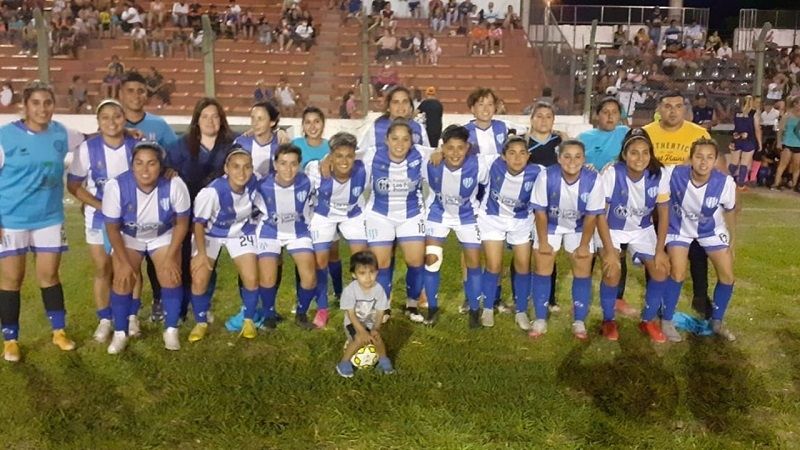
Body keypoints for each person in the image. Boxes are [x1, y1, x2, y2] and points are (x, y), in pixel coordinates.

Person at [0, 82, 84, 362]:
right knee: (12, 278)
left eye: (47, 102)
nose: (42, 109)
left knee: (49, 276)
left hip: (48, 218)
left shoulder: (60, 132)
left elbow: (89, 138)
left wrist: (125, 133)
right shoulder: (5, 137)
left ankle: (58, 331)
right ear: (24, 105)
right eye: (36, 103)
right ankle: (10, 339)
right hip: (11, 219)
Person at [102, 142, 191, 353]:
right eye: (139, 163)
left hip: (162, 235)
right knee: (123, 279)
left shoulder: (175, 184)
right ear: (132, 166)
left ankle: (171, 330)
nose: (145, 169)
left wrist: (170, 257)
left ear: (161, 166)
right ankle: (120, 333)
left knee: (170, 275)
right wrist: (123, 263)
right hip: (129, 236)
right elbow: (113, 229)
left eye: (151, 163)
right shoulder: (116, 186)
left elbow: (182, 223)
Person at [67, 99, 140, 344]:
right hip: (97, 219)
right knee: (102, 269)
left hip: (131, 219)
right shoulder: (88, 149)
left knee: (130, 267)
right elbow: (74, 185)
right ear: (98, 122)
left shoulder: (136, 145)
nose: (111, 122)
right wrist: (102, 206)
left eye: (117, 116)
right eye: (105, 117)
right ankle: (105, 319)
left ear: (125, 118)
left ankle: (131, 316)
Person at [594, 128, 670, 343]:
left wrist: (660, 250)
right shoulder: (611, 173)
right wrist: (609, 251)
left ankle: (647, 321)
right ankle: (608, 320)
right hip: (612, 229)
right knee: (612, 271)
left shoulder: (659, 174)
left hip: (643, 229)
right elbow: (601, 214)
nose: (640, 158)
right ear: (625, 154)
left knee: (660, 270)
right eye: (634, 152)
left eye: (645, 152)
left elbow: (664, 213)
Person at [644, 91, 714, 319]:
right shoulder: (646, 133)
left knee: (697, 251)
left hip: (690, 205)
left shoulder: (698, 133)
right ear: (659, 109)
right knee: (658, 250)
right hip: (656, 204)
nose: (672, 111)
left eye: (677, 106)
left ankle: (701, 298)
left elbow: (708, 163)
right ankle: (656, 297)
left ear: (684, 109)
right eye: (667, 106)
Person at [166, 97, 236, 319]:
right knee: (184, 256)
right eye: (204, 116)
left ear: (221, 120)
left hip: (214, 214)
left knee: (207, 261)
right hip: (185, 213)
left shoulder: (231, 145)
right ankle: (181, 306)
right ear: (196, 120)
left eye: (215, 116)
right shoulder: (182, 145)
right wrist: (169, 171)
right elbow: (165, 166)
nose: (210, 121)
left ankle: (202, 306)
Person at [661, 138, 737, 341]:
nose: (704, 162)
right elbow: (646, 169)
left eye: (709, 157)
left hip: (711, 231)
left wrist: (733, 239)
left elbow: (730, 211)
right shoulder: (673, 173)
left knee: (728, 276)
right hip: (679, 229)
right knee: (677, 273)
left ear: (715, 160)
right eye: (699, 157)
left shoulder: (724, 183)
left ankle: (717, 321)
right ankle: (666, 320)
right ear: (690, 159)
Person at [119, 70, 180, 322]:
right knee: (125, 262)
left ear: (147, 94)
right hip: (122, 207)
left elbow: (175, 155)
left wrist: (172, 168)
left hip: (155, 205)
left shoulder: (158, 125)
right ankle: (128, 314)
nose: (136, 95)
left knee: (158, 257)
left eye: (141, 90)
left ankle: (158, 302)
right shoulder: (113, 123)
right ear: (121, 94)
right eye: (131, 90)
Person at [529, 140, 605, 340]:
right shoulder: (546, 175)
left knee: (582, 268)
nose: (572, 161)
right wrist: (544, 242)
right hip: (551, 225)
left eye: (577, 156)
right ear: (558, 158)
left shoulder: (594, 179)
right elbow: (540, 212)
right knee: (543, 265)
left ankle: (579, 320)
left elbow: (591, 216)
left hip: (579, 227)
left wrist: (583, 245)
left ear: (584, 158)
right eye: (567, 156)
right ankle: (540, 318)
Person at [361, 119, 432, 323]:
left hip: (411, 214)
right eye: (394, 139)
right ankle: (384, 306)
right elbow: (347, 154)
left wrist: (439, 153)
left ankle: (412, 305)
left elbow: (443, 151)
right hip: (379, 215)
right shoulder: (372, 154)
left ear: (412, 141)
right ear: (386, 140)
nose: (399, 144)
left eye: (405, 139)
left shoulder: (420, 154)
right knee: (381, 264)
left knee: (416, 261)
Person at [187, 149, 261, 342]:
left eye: (247, 167)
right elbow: (198, 224)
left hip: (240, 233)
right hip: (210, 234)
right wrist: (201, 254)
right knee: (199, 279)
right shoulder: (211, 192)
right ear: (226, 168)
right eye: (236, 166)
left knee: (252, 278)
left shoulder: (255, 182)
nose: (242, 172)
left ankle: (248, 319)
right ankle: (201, 321)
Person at [422, 125, 487, 327]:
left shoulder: (479, 165)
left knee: (473, 263)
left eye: (460, 148)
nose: (455, 153)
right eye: (450, 148)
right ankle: (432, 308)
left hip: (468, 216)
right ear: (443, 147)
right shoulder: (430, 163)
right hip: (438, 214)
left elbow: (493, 179)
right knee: (432, 260)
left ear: (467, 147)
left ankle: (475, 310)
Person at [478, 136, 542, 330]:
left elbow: (562, 173)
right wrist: (437, 153)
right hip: (492, 218)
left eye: (522, 153)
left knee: (523, 265)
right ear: (503, 156)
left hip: (521, 221)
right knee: (493, 264)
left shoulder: (539, 172)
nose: (517, 158)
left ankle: (521, 310)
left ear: (528, 155)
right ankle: (488, 308)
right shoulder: (491, 163)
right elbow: (464, 157)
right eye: (512, 153)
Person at [306, 132, 369, 328]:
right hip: (324, 215)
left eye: (349, 156)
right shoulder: (315, 170)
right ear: (331, 156)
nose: (344, 161)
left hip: (352, 215)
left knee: (362, 258)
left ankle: (360, 303)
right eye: (338, 156)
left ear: (355, 156)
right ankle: (322, 307)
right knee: (320, 260)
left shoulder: (364, 167)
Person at [254, 144, 318, 329]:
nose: (288, 169)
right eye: (283, 163)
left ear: (298, 165)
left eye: (292, 164)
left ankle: (301, 314)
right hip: (269, 232)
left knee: (309, 277)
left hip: (297, 231)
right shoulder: (262, 185)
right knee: (267, 277)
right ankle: (269, 315)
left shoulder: (307, 182)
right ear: (275, 165)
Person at [335, 250, 394, 377]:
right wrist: (362, 331)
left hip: (370, 321)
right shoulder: (350, 290)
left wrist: (376, 328)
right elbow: (350, 314)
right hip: (353, 322)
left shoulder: (379, 289)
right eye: (362, 273)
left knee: (377, 337)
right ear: (354, 274)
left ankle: (383, 361)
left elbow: (380, 312)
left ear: (377, 272)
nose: (368, 277)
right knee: (359, 338)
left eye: (372, 272)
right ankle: (344, 363)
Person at [358, 86, 430, 152]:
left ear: (411, 107)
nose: (401, 106)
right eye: (395, 102)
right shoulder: (375, 128)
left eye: (405, 102)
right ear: (388, 107)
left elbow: (427, 155)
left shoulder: (419, 128)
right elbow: (360, 153)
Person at [234, 101, 281, 179]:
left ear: (272, 122)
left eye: (260, 119)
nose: (255, 123)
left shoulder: (280, 145)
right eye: (253, 118)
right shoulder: (240, 143)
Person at [729, 95, 762, 188]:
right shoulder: (754, 113)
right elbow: (757, 129)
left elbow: (735, 125)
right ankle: (740, 184)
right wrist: (759, 143)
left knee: (734, 163)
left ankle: (728, 181)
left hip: (737, 139)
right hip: (749, 140)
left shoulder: (736, 113)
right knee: (744, 163)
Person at [770, 96, 800, 190]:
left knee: (797, 165)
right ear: (795, 104)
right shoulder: (787, 115)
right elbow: (780, 130)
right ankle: (776, 183)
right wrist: (779, 142)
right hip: (788, 142)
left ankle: (794, 185)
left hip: (798, 143)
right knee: (783, 164)